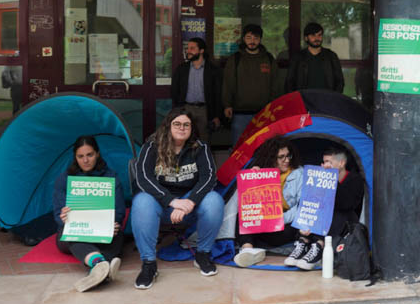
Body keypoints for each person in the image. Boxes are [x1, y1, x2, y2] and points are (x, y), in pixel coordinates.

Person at [130, 107, 224, 289]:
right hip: (160, 203)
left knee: (214, 200)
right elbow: (143, 178)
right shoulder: (152, 146)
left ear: (191, 128)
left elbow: (209, 178)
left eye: (186, 125)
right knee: (141, 202)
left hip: (189, 203)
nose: (182, 128)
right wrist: (172, 202)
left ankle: (202, 254)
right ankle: (149, 264)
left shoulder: (200, 147)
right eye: (177, 124)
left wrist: (189, 202)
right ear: (168, 126)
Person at [53, 136, 132, 292]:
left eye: (90, 155)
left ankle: (97, 268)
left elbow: (120, 211)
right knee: (66, 235)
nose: (85, 160)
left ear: (97, 154)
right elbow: (57, 214)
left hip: (102, 231)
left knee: (117, 236)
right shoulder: (65, 178)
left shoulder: (110, 176)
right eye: (80, 156)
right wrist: (63, 217)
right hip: (77, 231)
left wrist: (112, 223)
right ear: (75, 157)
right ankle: (104, 265)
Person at [285, 147, 365, 271]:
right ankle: (303, 242)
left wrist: (331, 180)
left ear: (341, 163)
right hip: (323, 221)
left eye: (329, 162)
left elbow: (346, 204)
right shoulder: (320, 178)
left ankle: (319, 247)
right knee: (311, 206)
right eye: (324, 162)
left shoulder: (355, 179)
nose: (325, 165)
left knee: (336, 211)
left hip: (346, 221)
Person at [232, 136, 305, 268]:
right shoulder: (264, 172)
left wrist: (279, 219)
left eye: (288, 156)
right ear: (272, 158)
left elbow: (302, 207)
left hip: (284, 226)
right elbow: (251, 204)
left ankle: (254, 248)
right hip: (264, 226)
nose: (286, 160)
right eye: (281, 157)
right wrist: (253, 179)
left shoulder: (299, 173)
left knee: (297, 226)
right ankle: (247, 250)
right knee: (243, 214)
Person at [222, 24, 281, 145]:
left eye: (255, 38)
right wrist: (227, 104)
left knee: (263, 147)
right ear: (244, 39)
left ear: (260, 40)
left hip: (264, 113)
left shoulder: (268, 59)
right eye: (249, 37)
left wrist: (273, 107)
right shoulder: (236, 59)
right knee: (239, 147)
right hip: (240, 113)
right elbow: (228, 83)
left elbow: (275, 85)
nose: (252, 41)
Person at [170, 37, 222, 141]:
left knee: (203, 141)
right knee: (185, 140)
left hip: (205, 110)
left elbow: (218, 94)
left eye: (192, 48)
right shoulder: (181, 69)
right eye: (188, 48)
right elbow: (174, 91)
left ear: (201, 51)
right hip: (186, 108)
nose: (188, 51)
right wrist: (177, 111)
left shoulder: (213, 70)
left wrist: (216, 116)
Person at [286, 21, 345, 93]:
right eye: (313, 35)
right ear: (306, 38)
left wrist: (334, 98)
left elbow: (340, 81)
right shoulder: (298, 58)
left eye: (319, 35)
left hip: (327, 100)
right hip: (304, 100)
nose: (317, 38)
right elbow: (289, 82)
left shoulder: (331, 56)